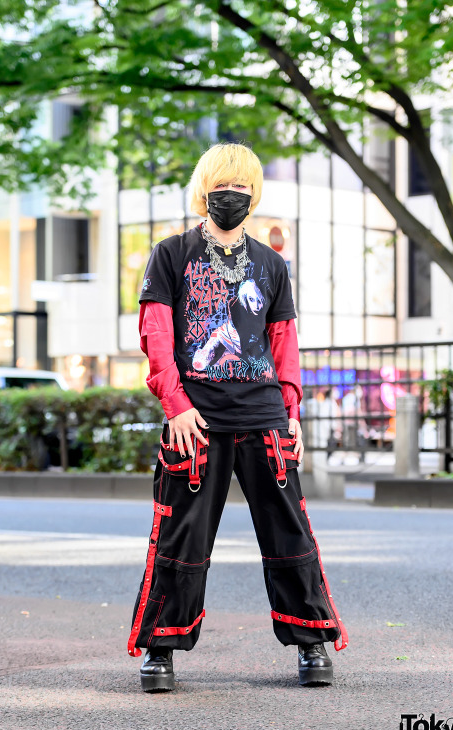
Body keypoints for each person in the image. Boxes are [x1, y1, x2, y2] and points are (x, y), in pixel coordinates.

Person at [127, 143, 348, 692]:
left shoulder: (273, 265)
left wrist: (291, 410)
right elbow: (156, 336)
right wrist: (175, 404)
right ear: (205, 191)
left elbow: (284, 342)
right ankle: (161, 649)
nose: (234, 195)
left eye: (245, 187)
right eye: (225, 186)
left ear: (255, 195)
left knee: (288, 529)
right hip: (195, 419)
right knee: (181, 534)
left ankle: (312, 639)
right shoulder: (170, 254)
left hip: (264, 414)